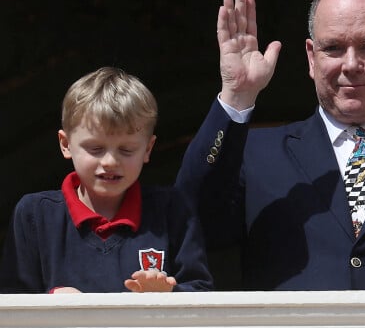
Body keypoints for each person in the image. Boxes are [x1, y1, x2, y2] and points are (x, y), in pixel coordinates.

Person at [176, 0, 365, 291]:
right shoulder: (258, 153)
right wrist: (236, 96)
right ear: (311, 57)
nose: (351, 64)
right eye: (333, 48)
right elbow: (190, 218)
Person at [0, 66, 213, 293]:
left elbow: (202, 295)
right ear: (65, 144)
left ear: (148, 149)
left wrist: (167, 295)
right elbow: (12, 305)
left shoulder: (172, 210)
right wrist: (52, 304)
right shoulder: (35, 215)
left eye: (127, 150)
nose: (110, 161)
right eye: (96, 148)